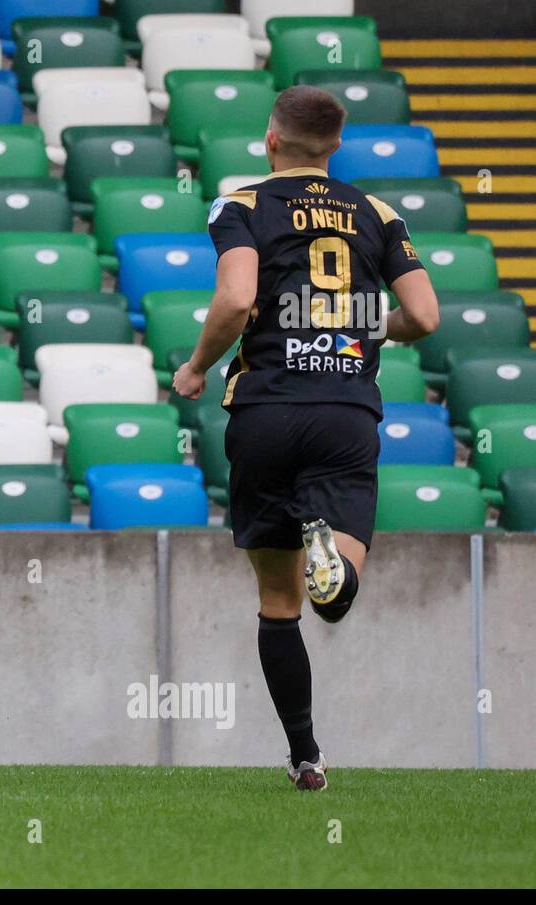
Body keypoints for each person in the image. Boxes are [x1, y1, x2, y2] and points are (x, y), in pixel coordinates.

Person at [172, 86, 439, 791]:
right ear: (336, 148)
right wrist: (362, 328)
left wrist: (197, 365)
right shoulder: (377, 212)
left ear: (270, 140)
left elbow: (233, 299)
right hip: (345, 406)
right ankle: (333, 558)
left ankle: (304, 753)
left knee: (276, 600)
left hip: (263, 408)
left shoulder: (242, 203)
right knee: (336, 592)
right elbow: (425, 315)